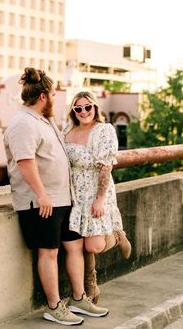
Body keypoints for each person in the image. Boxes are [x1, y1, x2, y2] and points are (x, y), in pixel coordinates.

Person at [3, 68, 109, 326]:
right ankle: (54, 306)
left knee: (74, 247)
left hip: (63, 199)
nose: (55, 100)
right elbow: (25, 161)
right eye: (53, 95)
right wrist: (42, 195)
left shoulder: (44, 119)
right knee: (48, 253)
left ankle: (78, 298)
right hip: (41, 203)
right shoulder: (22, 123)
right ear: (42, 96)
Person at [63, 91, 132, 304]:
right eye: (78, 108)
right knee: (81, 242)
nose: (83, 111)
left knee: (93, 245)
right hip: (75, 194)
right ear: (73, 111)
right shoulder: (67, 130)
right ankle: (90, 287)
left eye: (87, 107)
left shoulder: (104, 130)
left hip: (96, 192)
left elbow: (106, 168)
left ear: (95, 107)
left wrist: (100, 199)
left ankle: (118, 236)